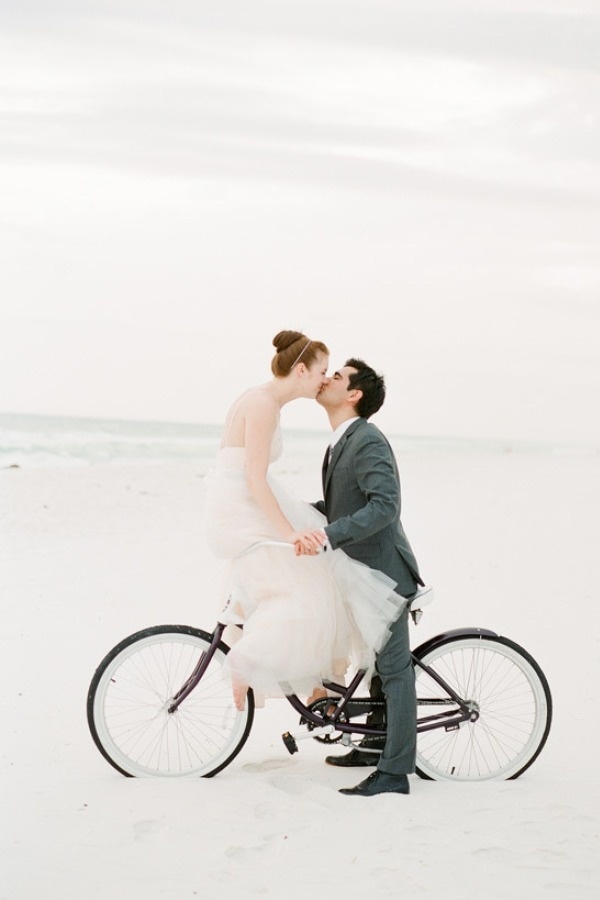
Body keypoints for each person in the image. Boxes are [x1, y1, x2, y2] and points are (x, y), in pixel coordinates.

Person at [203, 331, 407, 715]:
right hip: (243, 503)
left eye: (332, 374)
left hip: (238, 500)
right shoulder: (263, 403)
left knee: (309, 577)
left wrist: (309, 523)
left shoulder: (263, 401)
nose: (324, 379)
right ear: (301, 371)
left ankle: (322, 687)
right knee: (311, 588)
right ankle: (262, 666)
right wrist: (290, 531)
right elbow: (254, 477)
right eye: (322, 371)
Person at [304, 358, 423, 797]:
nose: (327, 378)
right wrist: (299, 516)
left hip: (384, 574)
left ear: (353, 394)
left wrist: (328, 534)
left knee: (393, 670)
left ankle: (394, 773)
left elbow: (384, 506)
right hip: (359, 571)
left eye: (337, 376)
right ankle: (374, 745)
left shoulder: (367, 439)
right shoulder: (343, 441)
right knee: (373, 665)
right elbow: (344, 506)